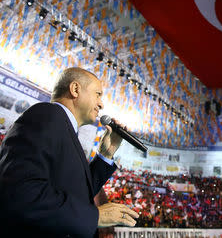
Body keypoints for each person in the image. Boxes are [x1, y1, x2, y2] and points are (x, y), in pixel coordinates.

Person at [0, 67, 139, 237]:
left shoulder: (63, 127)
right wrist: (94, 217)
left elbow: (75, 191)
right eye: (98, 94)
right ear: (75, 89)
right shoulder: (45, 115)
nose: (101, 104)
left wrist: (106, 154)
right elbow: (22, 192)